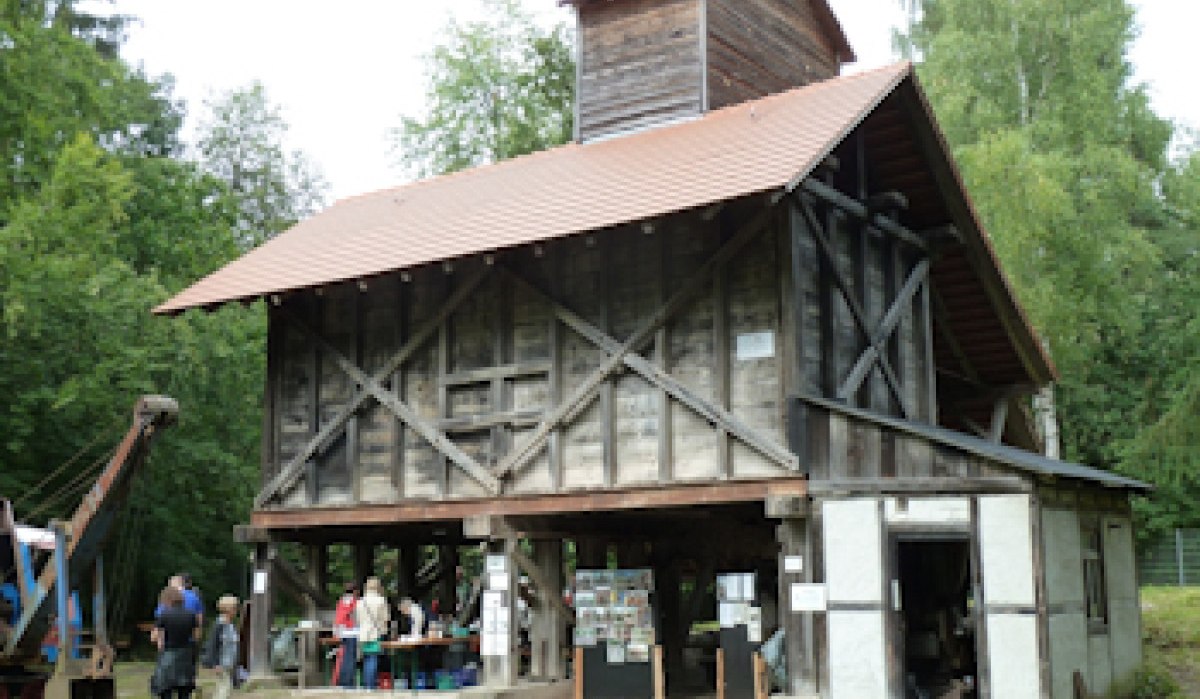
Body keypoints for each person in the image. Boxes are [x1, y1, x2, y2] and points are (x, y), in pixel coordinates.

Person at [151, 587, 199, 699]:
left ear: (166, 599)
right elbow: (196, 636)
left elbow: (154, 637)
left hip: (169, 653)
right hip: (186, 654)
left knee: (166, 688)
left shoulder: (164, 615)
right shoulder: (191, 615)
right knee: (184, 690)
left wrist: (159, 642)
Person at [354, 577, 389, 690]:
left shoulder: (360, 601)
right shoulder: (381, 600)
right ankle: (371, 685)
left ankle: (367, 684)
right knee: (373, 658)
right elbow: (386, 618)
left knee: (367, 658)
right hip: (375, 632)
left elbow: (357, 619)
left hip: (363, 633)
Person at [207, 595, 240, 699]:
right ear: (228, 609)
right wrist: (215, 663)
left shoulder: (230, 625)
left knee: (226, 689)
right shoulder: (219, 625)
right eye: (234, 608)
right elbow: (212, 645)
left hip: (229, 662)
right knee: (224, 689)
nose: (236, 611)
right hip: (222, 663)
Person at [332, 582, 358, 688]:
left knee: (343, 656)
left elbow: (338, 617)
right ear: (355, 591)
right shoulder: (355, 602)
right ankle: (348, 682)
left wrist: (336, 631)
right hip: (352, 631)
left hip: (341, 631)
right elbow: (356, 618)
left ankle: (341, 680)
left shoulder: (341, 601)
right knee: (350, 657)